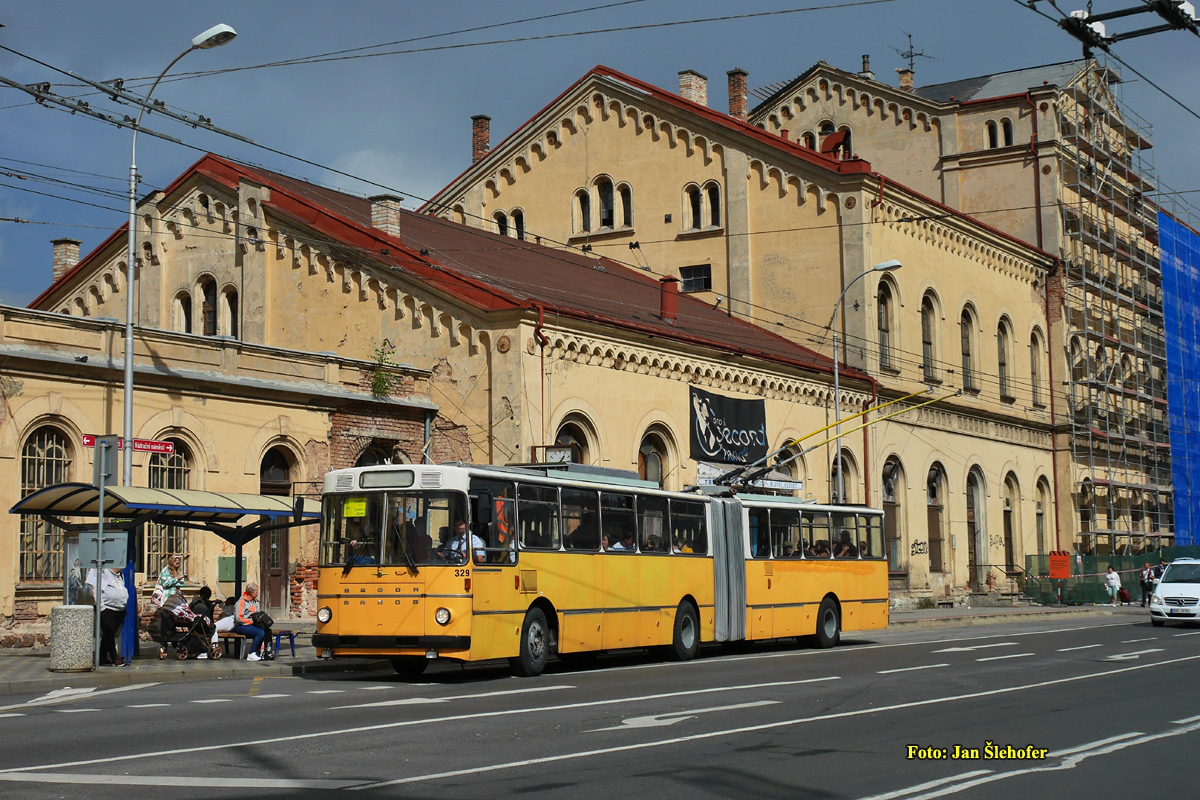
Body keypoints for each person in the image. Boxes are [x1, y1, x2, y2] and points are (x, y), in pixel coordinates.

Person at [85, 567, 128, 666]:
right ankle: (115, 658)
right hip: (107, 609)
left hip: (120, 609)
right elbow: (96, 591)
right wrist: (101, 608)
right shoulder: (103, 572)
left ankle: (102, 657)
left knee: (109, 634)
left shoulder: (120, 575)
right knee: (109, 631)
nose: (123, 565)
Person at [234, 583, 270, 661]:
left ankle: (263, 652)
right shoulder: (241, 602)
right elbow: (238, 618)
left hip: (252, 624)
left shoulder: (255, 602)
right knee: (260, 632)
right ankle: (251, 653)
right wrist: (251, 621)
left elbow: (257, 614)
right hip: (241, 625)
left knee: (267, 630)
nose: (258, 593)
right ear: (251, 592)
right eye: (256, 592)